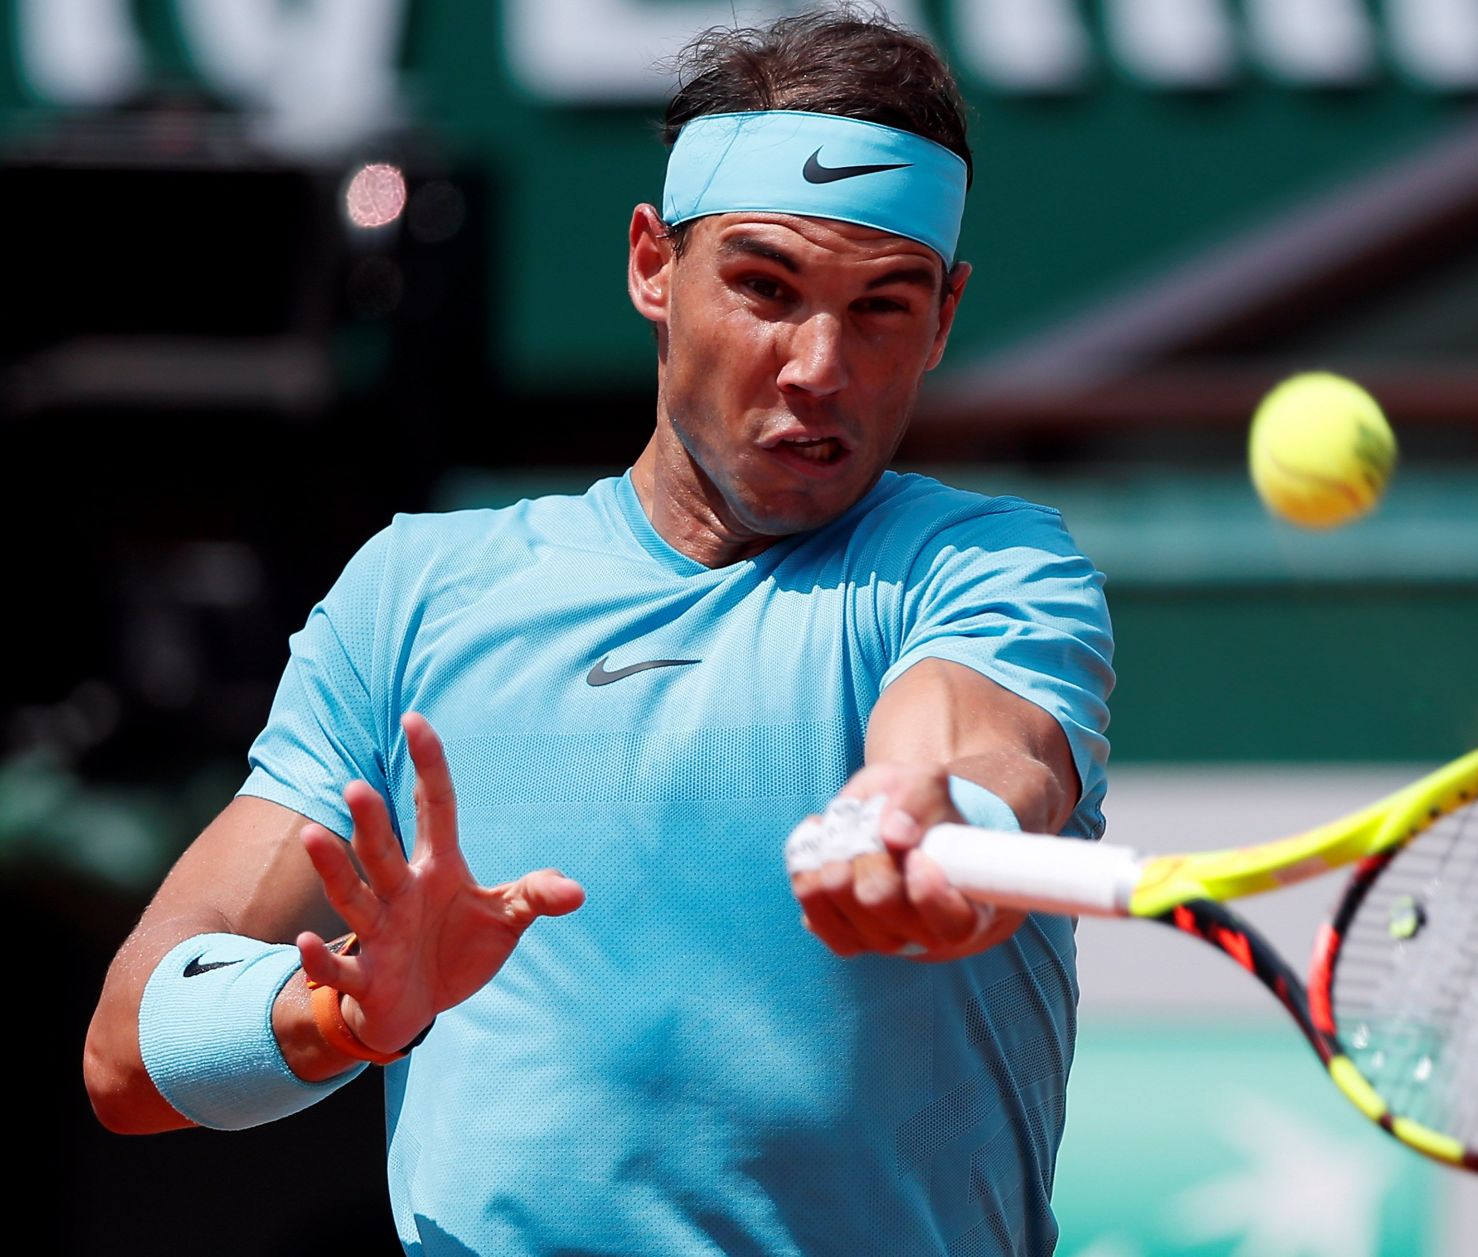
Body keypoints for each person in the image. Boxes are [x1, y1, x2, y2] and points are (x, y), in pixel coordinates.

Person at [82, 12, 1114, 1256]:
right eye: (766, 286)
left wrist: (923, 821)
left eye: (882, 307)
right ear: (651, 267)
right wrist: (345, 1013)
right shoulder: (415, 591)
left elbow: (981, 752)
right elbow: (128, 1050)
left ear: (944, 320)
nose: (819, 367)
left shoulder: (987, 565)